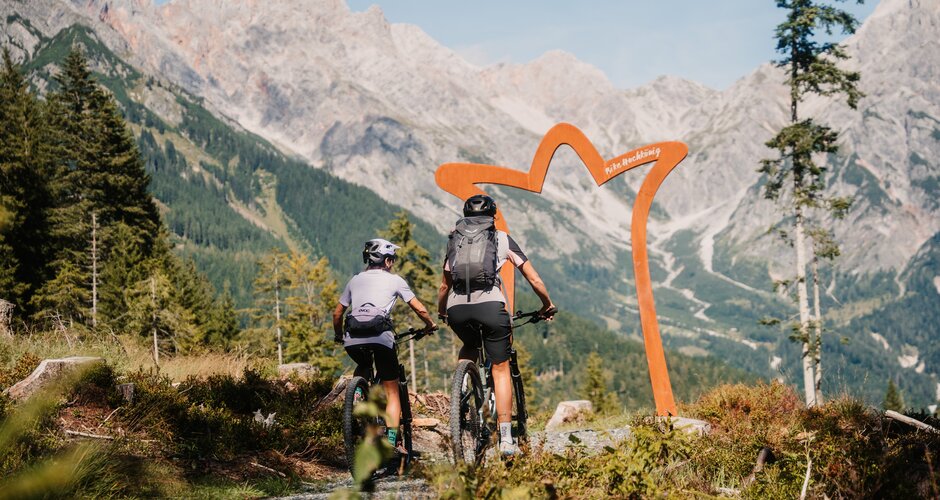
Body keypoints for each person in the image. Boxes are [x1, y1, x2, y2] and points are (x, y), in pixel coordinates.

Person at [437, 194, 556, 456]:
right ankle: (505, 439)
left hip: (457, 309)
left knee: (469, 343)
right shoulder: (501, 238)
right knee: (500, 369)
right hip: (490, 307)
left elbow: (445, 285)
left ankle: (464, 388)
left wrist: (442, 312)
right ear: (494, 215)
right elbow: (533, 278)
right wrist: (547, 304)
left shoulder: (454, 240)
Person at [332, 238, 436, 454]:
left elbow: (337, 313)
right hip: (381, 337)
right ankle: (390, 439)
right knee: (392, 391)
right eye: (393, 259)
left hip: (353, 337)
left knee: (362, 363)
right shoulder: (395, 280)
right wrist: (430, 325)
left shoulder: (354, 280)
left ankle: (358, 393)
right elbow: (419, 309)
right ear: (387, 261)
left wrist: (338, 335)